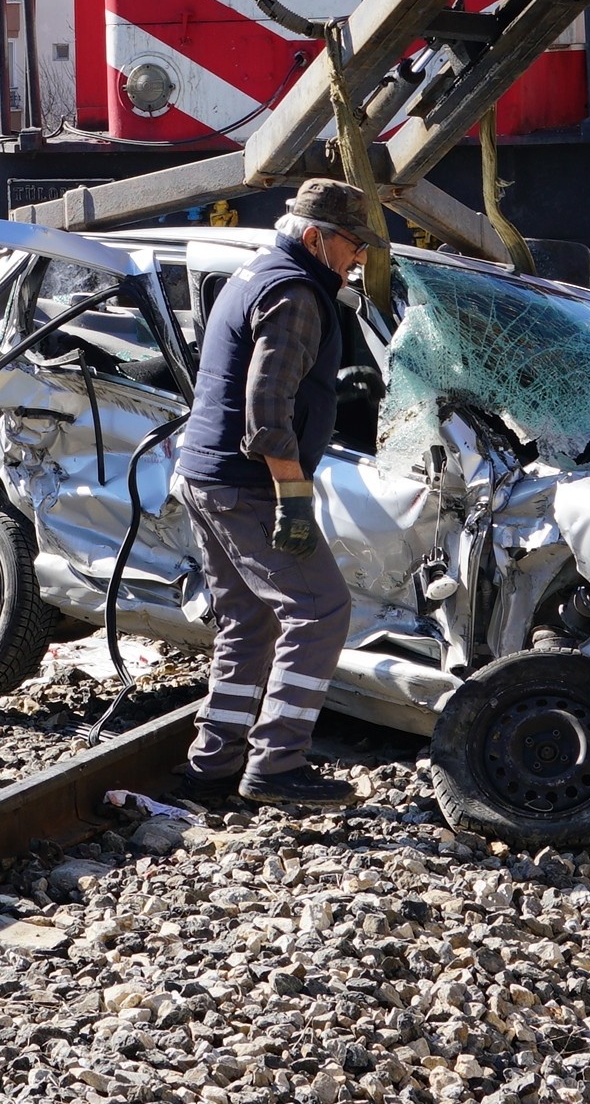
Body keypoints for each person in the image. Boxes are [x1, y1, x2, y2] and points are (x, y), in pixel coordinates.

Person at [167, 178, 376, 807]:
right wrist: (294, 496)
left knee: (248, 618)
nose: (357, 258)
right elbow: (266, 410)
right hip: (247, 485)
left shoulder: (259, 273)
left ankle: (213, 765)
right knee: (320, 610)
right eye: (350, 245)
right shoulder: (294, 292)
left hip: (206, 475)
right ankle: (277, 765)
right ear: (315, 236)